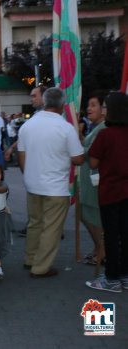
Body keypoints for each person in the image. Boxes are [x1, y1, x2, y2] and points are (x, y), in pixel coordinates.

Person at [17, 87, 84, 278]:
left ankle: (30, 259)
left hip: (33, 183)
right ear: (62, 105)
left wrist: (28, 175)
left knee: (35, 224)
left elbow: (21, 156)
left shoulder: (28, 125)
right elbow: (78, 159)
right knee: (51, 229)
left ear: (45, 102)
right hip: (55, 187)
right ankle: (41, 267)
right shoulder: (66, 128)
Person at [86, 92, 128, 293]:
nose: (103, 110)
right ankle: (126, 276)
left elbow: (93, 162)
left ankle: (112, 278)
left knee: (111, 235)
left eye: (104, 106)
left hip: (110, 192)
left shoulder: (105, 135)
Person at [78, 91, 107, 266]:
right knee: (85, 215)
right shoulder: (95, 128)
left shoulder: (103, 128)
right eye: (88, 105)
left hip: (95, 181)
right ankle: (99, 248)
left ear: (103, 109)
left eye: (93, 105)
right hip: (89, 181)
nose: (89, 109)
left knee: (94, 217)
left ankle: (102, 250)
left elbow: (90, 153)